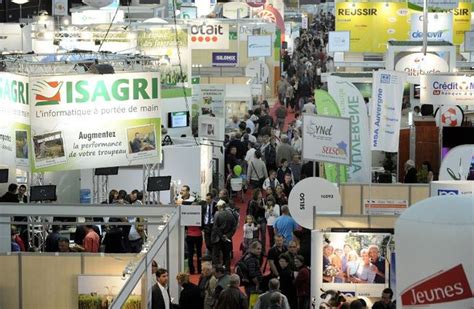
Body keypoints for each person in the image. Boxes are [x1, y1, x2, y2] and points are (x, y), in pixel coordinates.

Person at [211, 201, 236, 270]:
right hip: (227, 239)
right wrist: (227, 235)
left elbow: (215, 227)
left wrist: (221, 236)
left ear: (220, 206)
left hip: (217, 239)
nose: (217, 208)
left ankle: (217, 271)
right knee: (227, 256)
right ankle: (227, 271)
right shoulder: (231, 214)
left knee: (216, 256)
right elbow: (234, 227)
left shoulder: (217, 214)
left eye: (218, 207)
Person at [186, 203, 203, 274]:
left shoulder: (187, 215)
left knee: (190, 254)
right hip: (198, 235)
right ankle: (199, 270)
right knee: (199, 253)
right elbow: (202, 226)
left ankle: (191, 271)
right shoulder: (200, 215)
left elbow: (185, 226)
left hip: (189, 236)